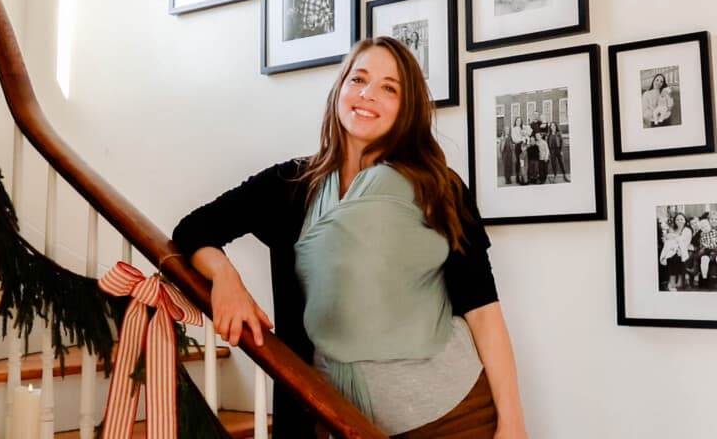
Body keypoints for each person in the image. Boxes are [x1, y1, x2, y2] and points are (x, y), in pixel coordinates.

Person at [173, 37, 527, 439]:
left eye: (388, 87)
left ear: (406, 106)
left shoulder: (438, 188)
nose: (367, 94)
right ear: (340, 89)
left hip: (456, 416)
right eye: (358, 79)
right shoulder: (290, 186)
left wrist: (513, 421)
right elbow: (193, 230)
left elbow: (482, 309)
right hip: (339, 420)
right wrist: (224, 277)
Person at [659, 212, 693, 291]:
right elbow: (667, 241)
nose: (679, 221)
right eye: (677, 219)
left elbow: (685, 242)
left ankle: (678, 281)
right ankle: (672, 281)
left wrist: (674, 237)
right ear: (675, 221)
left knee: (676, 257)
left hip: (684, 249)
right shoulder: (673, 229)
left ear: (685, 220)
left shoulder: (687, 230)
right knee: (670, 257)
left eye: (681, 219)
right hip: (672, 248)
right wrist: (670, 239)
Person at [511, 116, 527, 186]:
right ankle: (517, 177)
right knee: (518, 161)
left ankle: (523, 176)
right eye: (517, 120)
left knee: (523, 161)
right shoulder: (513, 129)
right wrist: (521, 139)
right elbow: (514, 139)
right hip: (518, 146)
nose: (518, 122)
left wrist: (524, 138)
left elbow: (526, 136)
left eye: (520, 121)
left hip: (523, 145)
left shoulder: (522, 128)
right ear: (515, 121)